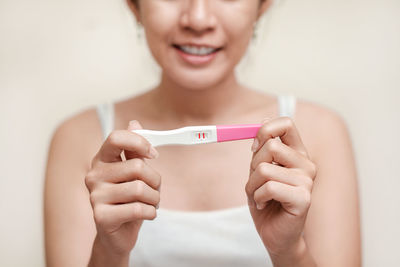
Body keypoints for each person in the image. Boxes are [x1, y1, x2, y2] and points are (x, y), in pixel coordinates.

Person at [44, 0, 361, 266]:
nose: (198, 19)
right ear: (134, 5)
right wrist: (109, 252)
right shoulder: (78, 138)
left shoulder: (320, 134)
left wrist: (289, 251)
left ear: (262, 5)